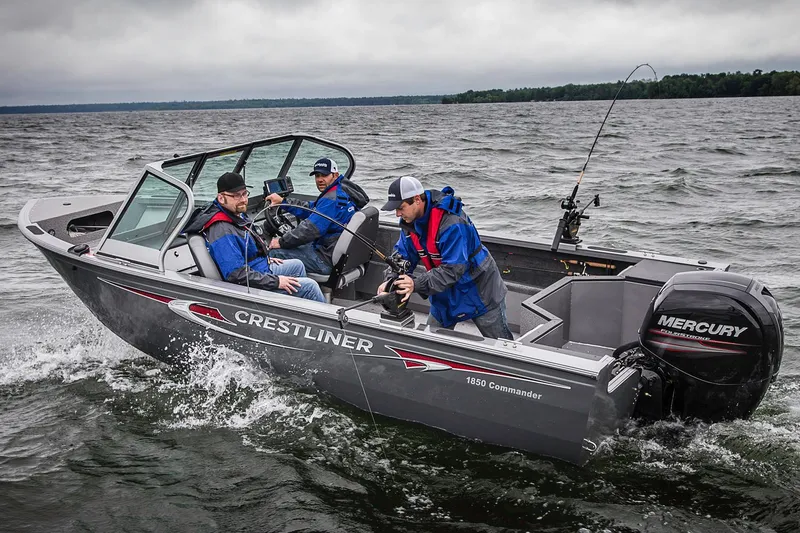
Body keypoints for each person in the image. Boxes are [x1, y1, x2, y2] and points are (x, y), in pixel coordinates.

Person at [377, 175, 513, 340]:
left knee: (502, 346)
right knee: (429, 342)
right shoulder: (409, 223)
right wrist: (390, 280)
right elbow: (401, 256)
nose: (398, 214)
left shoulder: (452, 222)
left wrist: (415, 283)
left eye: (401, 207)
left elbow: (453, 270)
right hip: (444, 295)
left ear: (417, 200)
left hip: (480, 292)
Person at [184, 171, 325, 302]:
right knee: (310, 287)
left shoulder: (235, 214)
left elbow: (246, 250)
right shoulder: (222, 229)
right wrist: (276, 282)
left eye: (245, 194)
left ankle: (293, 312)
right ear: (221, 198)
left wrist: (265, 258)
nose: (243, 200)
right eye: (236, 196)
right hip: (250, 287)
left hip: (258, 268)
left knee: (297, 265)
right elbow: (236, 275)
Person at [264, 157, 369, 275]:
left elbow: (310, 229)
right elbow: (312, 209)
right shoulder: (341, 192)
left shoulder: (331, 199)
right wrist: (283, 202)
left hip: (324, 259)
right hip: (338, 254)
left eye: (324, 175)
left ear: (335, 175)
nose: (320, 179)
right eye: (317, 176)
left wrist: (281, 242)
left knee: (273, 254)